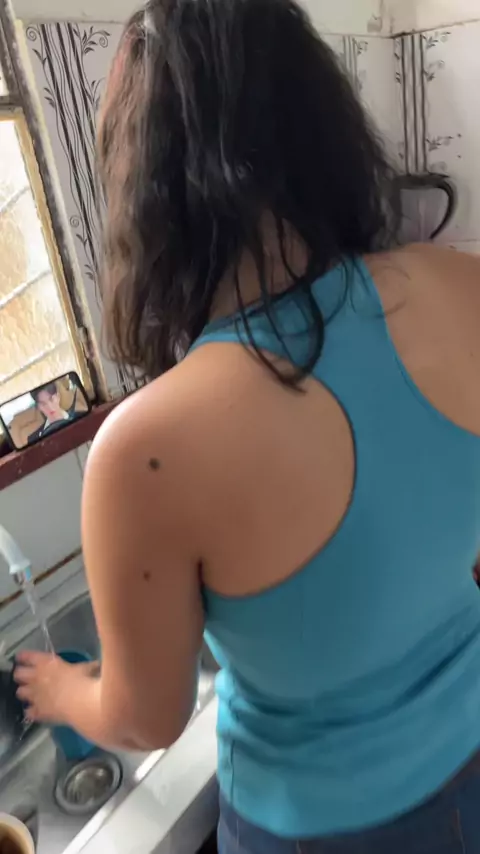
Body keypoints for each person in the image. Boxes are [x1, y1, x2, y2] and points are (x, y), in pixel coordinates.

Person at [14, 1, 480, 851]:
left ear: (144, 194)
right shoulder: (458, 285)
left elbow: (147, 716)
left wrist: (65, 691)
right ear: (324, 127)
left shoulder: (146, 450)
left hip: (319, 830)